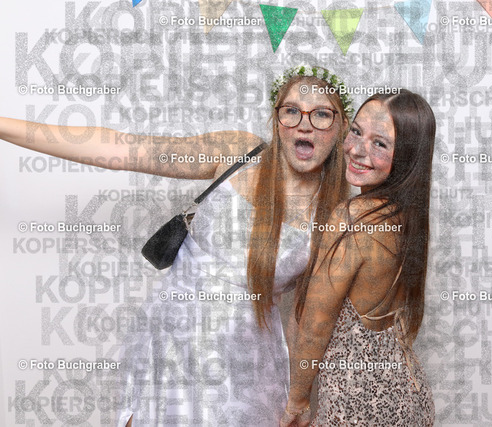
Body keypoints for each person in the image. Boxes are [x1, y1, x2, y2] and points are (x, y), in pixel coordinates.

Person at [1, 65, 352, 425]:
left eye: (322, 114)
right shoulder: (238, 152)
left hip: (244, 370)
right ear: (276, 121)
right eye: (291, 110)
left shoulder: (337, 217)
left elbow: (308, 320)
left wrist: (298, 399)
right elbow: (123, 149)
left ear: (342, 128)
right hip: (168, 343)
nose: (304, 124)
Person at [281, 90, 436, 426]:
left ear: (407, 156)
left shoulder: (353, 217)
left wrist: (297, 401)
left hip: (360, 405)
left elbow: (315, 326)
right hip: (409, 396)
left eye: (380, 143)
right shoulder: (407, 215)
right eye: (356, 132)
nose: (356, 149)